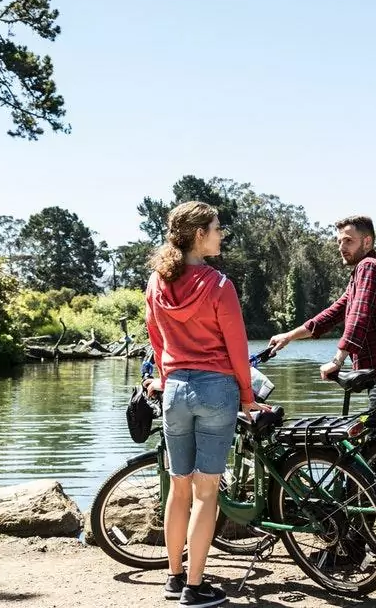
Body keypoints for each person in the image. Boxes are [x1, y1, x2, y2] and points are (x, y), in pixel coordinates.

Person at [144, 200, 270, 608]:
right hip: (216, 391)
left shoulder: (156, 283)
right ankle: (196, 589)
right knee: (206, 492)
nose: (221, 234)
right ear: (199, 235)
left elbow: (157, 342)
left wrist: (166, 380)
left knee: (178, 489)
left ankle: (173, 578)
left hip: (175, 390)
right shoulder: (218, 285)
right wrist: (248, 399)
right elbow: (237, 349)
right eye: (216, 228)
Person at [268, 215, 376, 409]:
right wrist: (288, 336)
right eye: (339, 241)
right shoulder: (362, 273)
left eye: (348, 241)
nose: (341, 247)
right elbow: (333, 314)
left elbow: (358, 317)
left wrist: (336, 361)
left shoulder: (369, 267)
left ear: (367, 242)